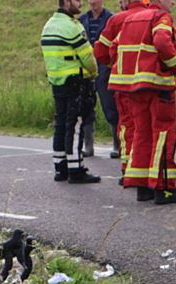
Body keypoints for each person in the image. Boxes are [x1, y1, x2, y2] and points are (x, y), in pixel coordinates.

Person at [108, 0, 176, 204]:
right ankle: (165, 190)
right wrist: (175, 65)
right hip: (158, 86)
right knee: (163, 135)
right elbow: (163, 42)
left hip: (133, 88)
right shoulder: (160, 17)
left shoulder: (129, 19)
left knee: (142, 134)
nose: (173, 2)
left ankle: (143, 188)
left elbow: (112, 48)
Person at [41, 0, 101, 184]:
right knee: (75, 125)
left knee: (60, 123)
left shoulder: (49, 25)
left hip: (57, 82)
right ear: (66, 2)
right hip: (76, 82)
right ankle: (76, 169)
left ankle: (61, 168)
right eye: (77, 0)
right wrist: (93, 73)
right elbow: (87, 56)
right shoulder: (72, 27)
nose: (81, 3)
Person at [94, 0, 148, 185]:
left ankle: (128, 169)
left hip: (124, 85)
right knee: (147, 128)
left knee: (127, 126)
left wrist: (116, 65)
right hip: (150, 84)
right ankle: (151, 171)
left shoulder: (117, 20)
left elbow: (100, 51)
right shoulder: (156, 18)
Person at [78, 0, 121, 159]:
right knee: (86, 107)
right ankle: (88, 146)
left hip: (105, 69)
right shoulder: (82, 20)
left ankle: (117, 145)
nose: (92, 2)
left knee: (111, 107)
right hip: (87, 69)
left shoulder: (112, 19)